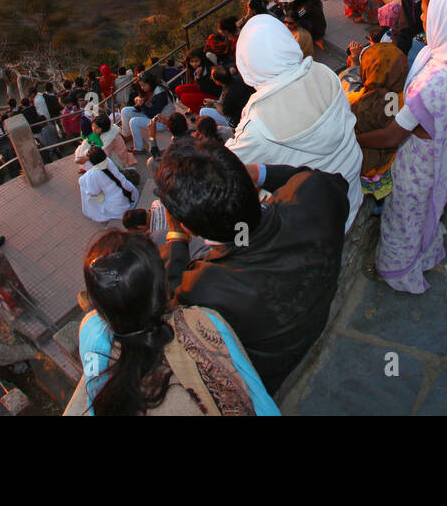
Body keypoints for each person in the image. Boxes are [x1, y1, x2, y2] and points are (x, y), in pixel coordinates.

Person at [155, 140, 348, 393]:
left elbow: (171, 306)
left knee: (158, 238)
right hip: (311, 322)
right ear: (246, 180)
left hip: (269, 372)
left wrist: (176, 237)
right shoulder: (316, 193)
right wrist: (261, 172)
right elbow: (316, 178)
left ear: (188, 227)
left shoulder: (205, 287)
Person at [355, 0, 447, 293]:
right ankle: (425, 253)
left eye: (428, 9)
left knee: (403, 218)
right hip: (445, 155)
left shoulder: (437, 82)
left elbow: (391, 136)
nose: (424, 16)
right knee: (426, 210)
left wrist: (351, 140)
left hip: (419, 162)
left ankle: (398, 271)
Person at [64, 229, 278, 416]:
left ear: (97, 305)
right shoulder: (202, 320)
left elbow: (95, 389)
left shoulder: (91, 330)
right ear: (163, 288)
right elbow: (257, 396)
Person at [225, 14, 362, 230]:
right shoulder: (323, 72)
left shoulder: (257, 126)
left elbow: (227, 169)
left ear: (246, 63)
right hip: (351, 191)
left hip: (322, 221)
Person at [344, 40, 409, 203]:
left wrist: (353, 60)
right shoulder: (403, 97)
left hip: (365, 163)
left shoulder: (356, 102)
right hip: (388, 162)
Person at [77, 146, 140, 223]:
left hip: (118, 206)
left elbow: (93, 192)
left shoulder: (93, 174)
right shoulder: (108, 161)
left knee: (83, 184)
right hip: (130, 192)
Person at [119, 77, 169, 154]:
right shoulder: (150, 90)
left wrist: (141, 104)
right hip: (153, 115)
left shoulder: (160, 94)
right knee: (125, 111)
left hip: (162, 121)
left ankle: (139, 148)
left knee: (134, 122)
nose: (142, 88)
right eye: (141, 86)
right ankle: (127, 135)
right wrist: (139, 103)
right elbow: (144, 108)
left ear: (150, 83)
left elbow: (152, 114)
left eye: (144, 85)